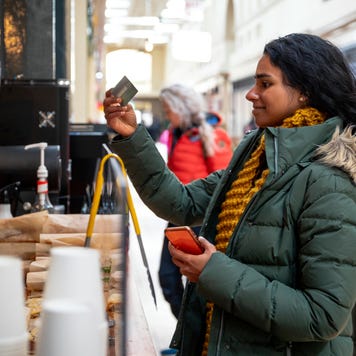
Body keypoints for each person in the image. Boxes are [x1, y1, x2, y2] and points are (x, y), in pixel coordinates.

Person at [103, 33, 356, 355]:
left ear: (305, 92)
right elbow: (180, 203)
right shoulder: (255, 155)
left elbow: (323, 316)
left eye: (265, 84)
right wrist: (133, 137)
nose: (251, 94)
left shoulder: (329, 181)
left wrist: (213, 272)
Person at [156, 84, 233, 319]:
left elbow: (224, 182)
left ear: (181, 108)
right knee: (168, 277)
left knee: (192, 281)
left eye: (169, 110)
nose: (167, 116)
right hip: (178, 217)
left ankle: (191, 339)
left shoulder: (211, 135)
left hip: (201, 221)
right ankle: (186, 333)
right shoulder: (177, 134)